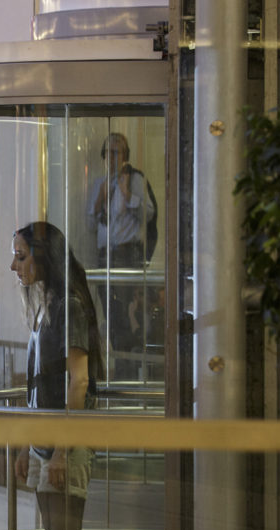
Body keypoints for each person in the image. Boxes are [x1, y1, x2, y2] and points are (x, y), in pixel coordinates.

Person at [10, 221, 104, 530]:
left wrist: (63, 450)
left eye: (22, 255)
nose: (14, 264)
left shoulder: (68, 307)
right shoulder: (49, 305)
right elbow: (38, 383)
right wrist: (30, 445)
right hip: (46, 440)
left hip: (64, 442)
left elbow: (79, 380)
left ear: (43, 257)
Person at [87, 132, 156, 374]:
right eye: (108, 153)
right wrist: (99, 200)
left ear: (125, 156)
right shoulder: (99, 183)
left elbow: (149, 214)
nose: (111, 158)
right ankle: (119, 363)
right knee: (111, 314)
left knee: (128, 314)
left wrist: (128, 196)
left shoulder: (135, 179)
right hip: (105, 255)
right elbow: (89, 223)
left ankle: (130, 367)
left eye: (116, 153)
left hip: (128, 254)